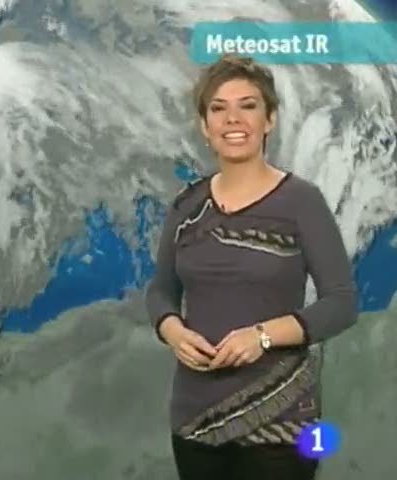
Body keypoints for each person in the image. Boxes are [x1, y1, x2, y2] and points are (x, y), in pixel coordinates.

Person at [144, 53, 358, 480]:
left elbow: (341, 304)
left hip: (281, 421)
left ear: (269, 119)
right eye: (218, 108)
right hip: (195, 420)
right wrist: (171, 329)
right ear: (205, 126)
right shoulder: (187, 206)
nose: (233, 119)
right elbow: (161, 289)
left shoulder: (301, 202)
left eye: (248, 105)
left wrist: (262, 336)